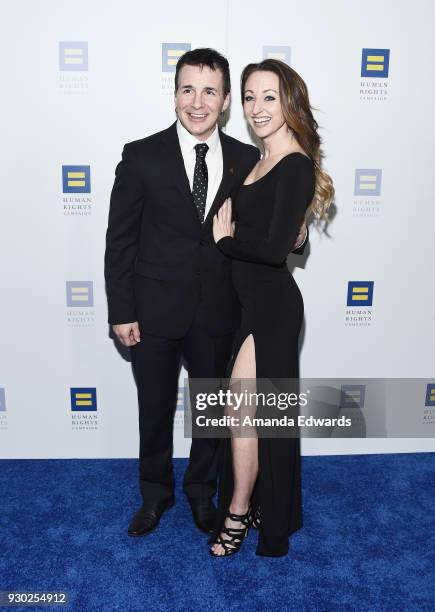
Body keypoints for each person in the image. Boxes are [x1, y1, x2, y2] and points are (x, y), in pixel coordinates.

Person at [104, 49, 307, 539]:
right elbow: (120, 240)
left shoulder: (246, 158)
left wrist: (298, 235)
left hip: (220, 312)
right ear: (174, 93)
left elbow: (270, 224)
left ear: (225, 101)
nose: (197, 102)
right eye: (187, 90)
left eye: (209, 91)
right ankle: (155, 495)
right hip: (151, 313)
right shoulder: (141, 155)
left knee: (213, 414)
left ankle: (202, 493)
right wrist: (121, 310)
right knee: (153, 411)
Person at [210, 59, 334, 557]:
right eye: (248, 97)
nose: (257, 108)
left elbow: (270, 250)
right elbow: (284, 236)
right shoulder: (258, 161)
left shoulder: (296, 163)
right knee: (256, 415)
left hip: (273, 308)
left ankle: (239, 512)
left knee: (244, 412)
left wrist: (225, 241)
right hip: (248, 305)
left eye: (268, 97)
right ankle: (266, 503)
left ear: (289, 102)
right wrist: (289, 238)